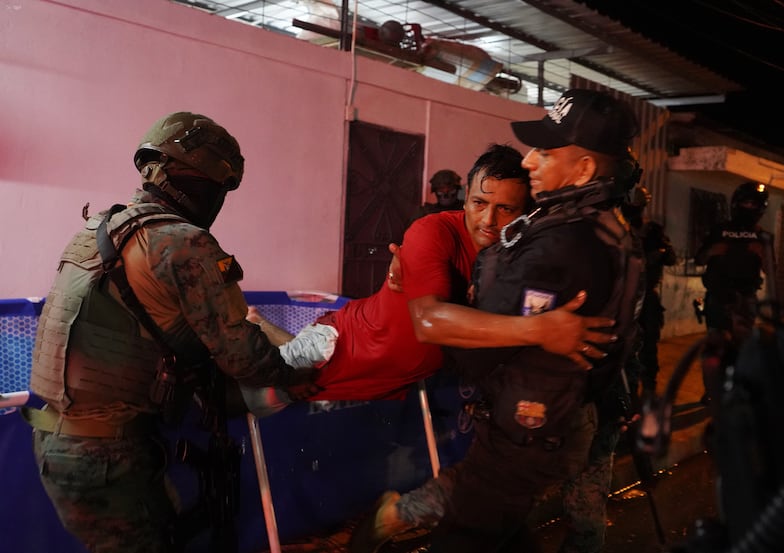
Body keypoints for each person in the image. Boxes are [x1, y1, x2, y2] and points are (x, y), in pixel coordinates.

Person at [350, 88, 645, 553]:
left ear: (584, 169)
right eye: (475, 203)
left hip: (526, 428)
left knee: (471, 532)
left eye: (546, 152)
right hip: (550, 421)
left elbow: (470, 352)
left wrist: (455, 305)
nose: (530, 162)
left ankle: (393, 516)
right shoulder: (598, 228)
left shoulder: (560, 244)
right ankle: (397, 515)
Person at [22, 112, 316, 553]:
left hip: (53, 440)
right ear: (205, 180)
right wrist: (310, 362)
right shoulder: (184, 242)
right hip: (108, 454)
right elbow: (248, 360)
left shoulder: (99, 228)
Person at [242, 144, 615, 414]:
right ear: (465, 198)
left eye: (505, 209)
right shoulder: (432, 232)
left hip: (396, 377)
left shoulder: (518, 249)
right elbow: (428, 322)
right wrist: (542, 330)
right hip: (346, 344)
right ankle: (256, 326)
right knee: (260, 397)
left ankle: (261, 324)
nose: (488, 221)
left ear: (524, 212)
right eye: (479, 204)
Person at [694, 181, 774, 408]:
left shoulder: (764, 237)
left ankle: (736, 392)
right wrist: (712, 251)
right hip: (718, 298)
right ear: (737, 203)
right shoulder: (719, 230)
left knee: (743, 348)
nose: (749, 207)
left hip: (745, 300)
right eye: (745, 202)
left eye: (753, 204)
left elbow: (772, 272)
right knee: (714, 347)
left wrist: (763, 254)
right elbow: (699, 258)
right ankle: (711, 391)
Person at [621, 185, 677, 396]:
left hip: (646, 297)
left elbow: (671, 258)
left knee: (648, 347)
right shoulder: (617, 230)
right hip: (624, 297)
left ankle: (648, 389)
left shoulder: (653, 231)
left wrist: (659, 253)